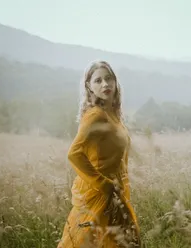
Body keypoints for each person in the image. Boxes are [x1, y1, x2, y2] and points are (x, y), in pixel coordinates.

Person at [57, 60, 141, 248]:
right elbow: (74, 153)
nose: (105, 84)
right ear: (89, 87)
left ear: (115, 82)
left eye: (109, 78)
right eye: (98, 80)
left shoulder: (112, 114)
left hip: (117, 193)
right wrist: (104, 184)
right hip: (100, 195)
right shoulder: (96, 115)